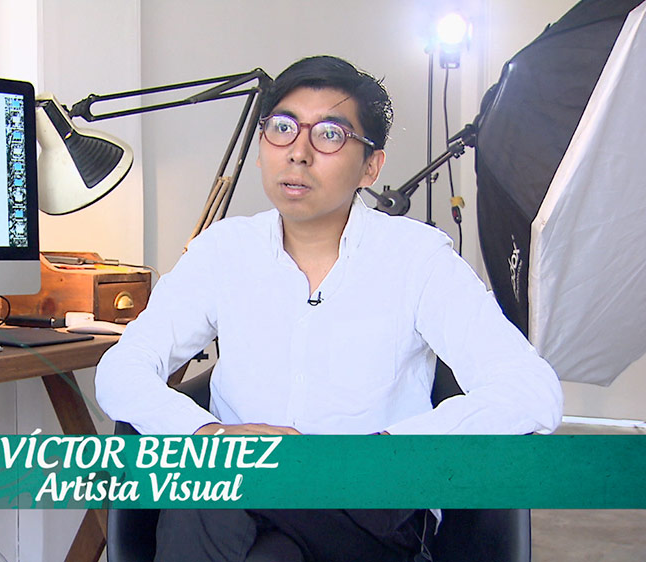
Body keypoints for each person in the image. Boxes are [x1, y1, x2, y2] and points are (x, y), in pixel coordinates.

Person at [95, 56, 563, 562]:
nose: (298, 153)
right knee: (240, 523)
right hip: (242, 499)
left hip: (369, 508)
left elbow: (532, 392)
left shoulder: (417, 259)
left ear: (371, 166)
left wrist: (378, 449)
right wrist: (206, 434)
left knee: (207, 501)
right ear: (261, 148)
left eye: (330, 136)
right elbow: (122, 370)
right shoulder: (224, 251)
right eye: (282, 129)